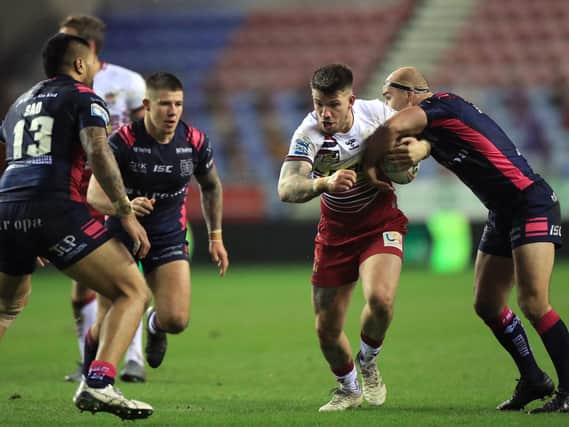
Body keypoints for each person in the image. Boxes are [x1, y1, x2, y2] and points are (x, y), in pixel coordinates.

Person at [363, 66, 569, 414]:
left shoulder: (442, 103)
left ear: (410, 93)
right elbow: (438, 139)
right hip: (503, 212)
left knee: (533, 302)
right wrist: (422, 150)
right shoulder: (440, 122)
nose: (387, 105)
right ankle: (533, 379)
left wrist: (369, 168)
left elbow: (391, 128)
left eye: (389, 97)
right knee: (487, 303)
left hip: (529, 202)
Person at [0, 33, 153, 419]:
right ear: (82, 65)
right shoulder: (85, 97)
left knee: (5, 307)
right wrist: (123, 210)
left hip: (7, 208)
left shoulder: (17, 105)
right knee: (132, 291)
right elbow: (98, 151)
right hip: (56, 208)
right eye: (95, 64)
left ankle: (97, 381)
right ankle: (99, 383)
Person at [277, 64, 410, 412]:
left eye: (333, 104)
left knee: (380, 300)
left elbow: (411, 149)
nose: (325, 113)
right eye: (318, 103)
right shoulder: (308, 134)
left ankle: (368, 360)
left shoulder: (377, 114)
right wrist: (324, 182)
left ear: (350, 100)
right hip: (335, 233)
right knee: (326, 329)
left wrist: (407, 165)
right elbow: (286, 188)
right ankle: (348, 388)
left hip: (380, 222)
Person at [85, 71, 229, 377]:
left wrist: (215, 237)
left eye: (178, 104)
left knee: (176, 320)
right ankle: (92, 374)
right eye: (165, 104)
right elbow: (94, 195)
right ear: (147, 105)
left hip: (167, 236)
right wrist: (124, 207)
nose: (173, 111)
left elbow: (212, 186)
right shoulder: (122, 142)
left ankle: (154, 325)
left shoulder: (194, 141)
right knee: (110, 314)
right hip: (119, 236)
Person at [59, 15, 147, 383]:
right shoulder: (60, 87)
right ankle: (87, 358)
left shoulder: (127, 82)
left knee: (126, 271)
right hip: (78, 191)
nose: (57, 47)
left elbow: (144, 135)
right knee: (84, 285)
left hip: (118, 189)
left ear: (88, 46)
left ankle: (134, 359)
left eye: (66, 40)